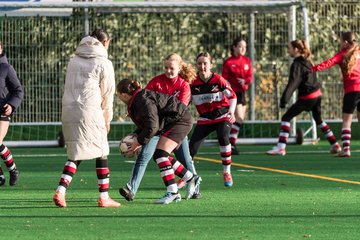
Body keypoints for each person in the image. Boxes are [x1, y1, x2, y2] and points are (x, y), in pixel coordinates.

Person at [118, 53, 201, 202]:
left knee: (168, 156)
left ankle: (176, 191)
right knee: (159, 155)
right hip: (167, 123)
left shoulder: (182, 85)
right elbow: (150, 119)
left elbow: (153, 122)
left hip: (177, 122)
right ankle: (189, 178)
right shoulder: (150, 88)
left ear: (124, 94)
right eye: (166, 67)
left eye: (172, 68)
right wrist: (139, 136)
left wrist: (139, 141)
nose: (168, 71)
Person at [53, 29, 120, 208]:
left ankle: (61, 190)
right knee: (102, 151)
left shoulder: (73, 60)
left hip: (69, 110)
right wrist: (107, 118)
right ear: (105, 43)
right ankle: (104, 196)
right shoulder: (104, 63)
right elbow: (108, 94)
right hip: (91, 111)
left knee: (76, 151)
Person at [266, 39, 341, 156]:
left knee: (286, 117)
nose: (288, 50)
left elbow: (293, 83)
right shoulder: (308, 61)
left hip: (308, 97)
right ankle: (335, 144)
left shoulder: (296, 65)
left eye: (289, 48)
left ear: (296, 50)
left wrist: (284, 100)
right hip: (317, 95)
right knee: (319, 120)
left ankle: (280, 147)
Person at [189, 52, 237, 187]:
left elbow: (233, 96)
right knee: (191, 147)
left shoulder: (218, 80)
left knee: (223, 137)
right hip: (205, 118)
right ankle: (187, 176)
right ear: (196, 65)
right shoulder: (192, 83)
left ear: (211, 64)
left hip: (222, 116)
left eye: (205, 63)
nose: (202, 66)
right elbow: (185, 102)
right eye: (199, 63)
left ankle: (227, 172)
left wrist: (231, 112)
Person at [311, 31, 360, 157]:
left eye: (340, 41)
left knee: (346, 121)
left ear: (345, 42)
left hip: (352, 91)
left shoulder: (342, 55)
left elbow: (328, 63)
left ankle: (346, 149)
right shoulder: (358, 52)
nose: (339, 43)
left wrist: (313, 68)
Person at [222, 38, 253, 155]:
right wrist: (228, 85)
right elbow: (224, 78)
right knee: (238, 118)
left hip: (242, 92)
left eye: (244, 47)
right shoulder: (229, 62)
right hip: (232, 94)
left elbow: (250, 77)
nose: (243, 49)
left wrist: (245, 81)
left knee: (238, 120)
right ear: (234, 47)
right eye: (240, 46)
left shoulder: (247, 61)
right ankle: (231, 142)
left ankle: (230, 142)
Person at [0, 41, 24, 186]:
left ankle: (13, 169)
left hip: (2, 111)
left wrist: (12, 104)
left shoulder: (6, 68)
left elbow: (18, 91)